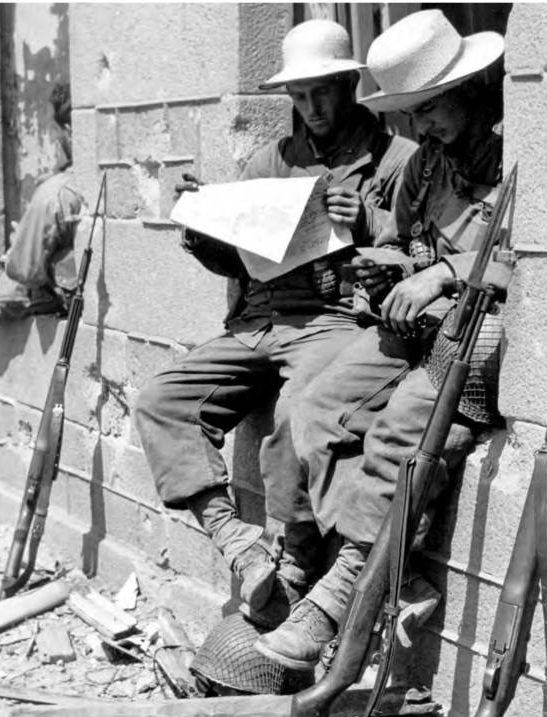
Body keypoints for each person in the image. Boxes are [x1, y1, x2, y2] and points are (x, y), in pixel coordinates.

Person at [255, 9, 512, 671]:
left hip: (472, 338)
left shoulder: (517, 153)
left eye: (430, 109)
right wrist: (388, 267)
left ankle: (345, 590)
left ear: (469, 89)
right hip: (408, 327)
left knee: (401, 432)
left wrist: (444, 274)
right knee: (312, 410)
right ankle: (399, 577)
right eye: (410, 114)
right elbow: (401, 243)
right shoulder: (425, 166)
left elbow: (534, 259)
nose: (420, 128)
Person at [134, 19, 417, 618]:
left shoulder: (397, 160)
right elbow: (235, 258)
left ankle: (294, 558)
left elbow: (419, 250)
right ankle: (237, 541)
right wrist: (203, 225)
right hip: (258, 319)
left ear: (348, 85)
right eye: (299, 95)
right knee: (161, 399)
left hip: (332, 319)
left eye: (321, 92)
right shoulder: (272, 159)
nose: (311, 108)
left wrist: (366, 221)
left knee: (296, 411)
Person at [0, 82, 84, 320]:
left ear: (69, 130)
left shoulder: (55, 193)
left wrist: (20, 241)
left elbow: (24, 271)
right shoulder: (84, 183)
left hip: (35, 293)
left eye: (58, 132)